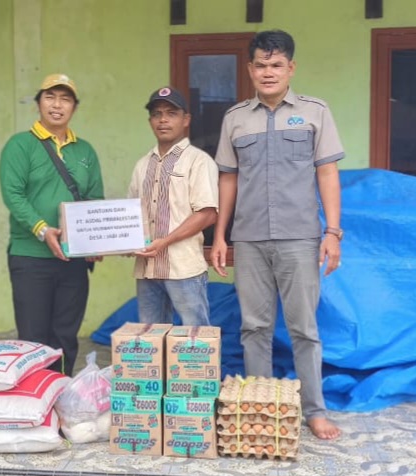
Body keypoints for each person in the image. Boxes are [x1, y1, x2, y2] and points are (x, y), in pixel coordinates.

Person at [211, 30, 344, 440]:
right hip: (249, 238)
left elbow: (327, 172)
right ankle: (259, 408)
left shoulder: (315, 112)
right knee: (254, 328)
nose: (268, 72)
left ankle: (315, 411)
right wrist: (221, 236)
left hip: (300, 238)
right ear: (250, 69)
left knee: (304, 328)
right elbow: (228, 180)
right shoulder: (235, 119)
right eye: (261, 65)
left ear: (291, 68)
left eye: (276, 64)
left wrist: (333, 232)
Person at [0, 73, 104, 376]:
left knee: (65, 337)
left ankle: (60, 397)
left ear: (74, 107)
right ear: (38, 103)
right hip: (31, 258)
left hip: (72, 259)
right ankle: (36, 406)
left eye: (65, 98)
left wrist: (94, 242)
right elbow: (13, 194)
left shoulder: (84, 151)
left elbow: (94, 199)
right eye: (50, 97)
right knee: (34, 338)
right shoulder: (20, 145)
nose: (57, 105)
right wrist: (43, 229)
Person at [128, 87, 219, 326]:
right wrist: (124, 242)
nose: (163, 120)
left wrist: (165, 242)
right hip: (147, 269)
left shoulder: (199, 161)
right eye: (157, 114)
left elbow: (208, 214)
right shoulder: (141, 165)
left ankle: (198, 367)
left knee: (196, 342)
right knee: (151, 341)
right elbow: (130, 216)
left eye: (171, 113)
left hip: (184, 268)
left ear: (186, 120)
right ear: (150, 121)